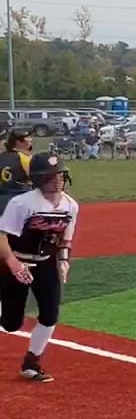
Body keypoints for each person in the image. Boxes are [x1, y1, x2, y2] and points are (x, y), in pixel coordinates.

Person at [1, 152, 78, 383]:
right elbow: (2, 236)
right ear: (38, 179)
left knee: (50, 313)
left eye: (60, 175)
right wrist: (12, 263)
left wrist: (63, 260)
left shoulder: (70, 205)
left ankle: (31, 363)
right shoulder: (22, 203)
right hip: (18, 261)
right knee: (11, 324)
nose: (57, 180)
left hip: (46, 263)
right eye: (50, 176)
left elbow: (65, 237)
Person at [0, 130, 34, 203]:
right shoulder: (24, 158)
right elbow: (36, 179)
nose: (30, 140)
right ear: (18, 142)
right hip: (19, 198)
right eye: (27, 139)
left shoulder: (2, 156)